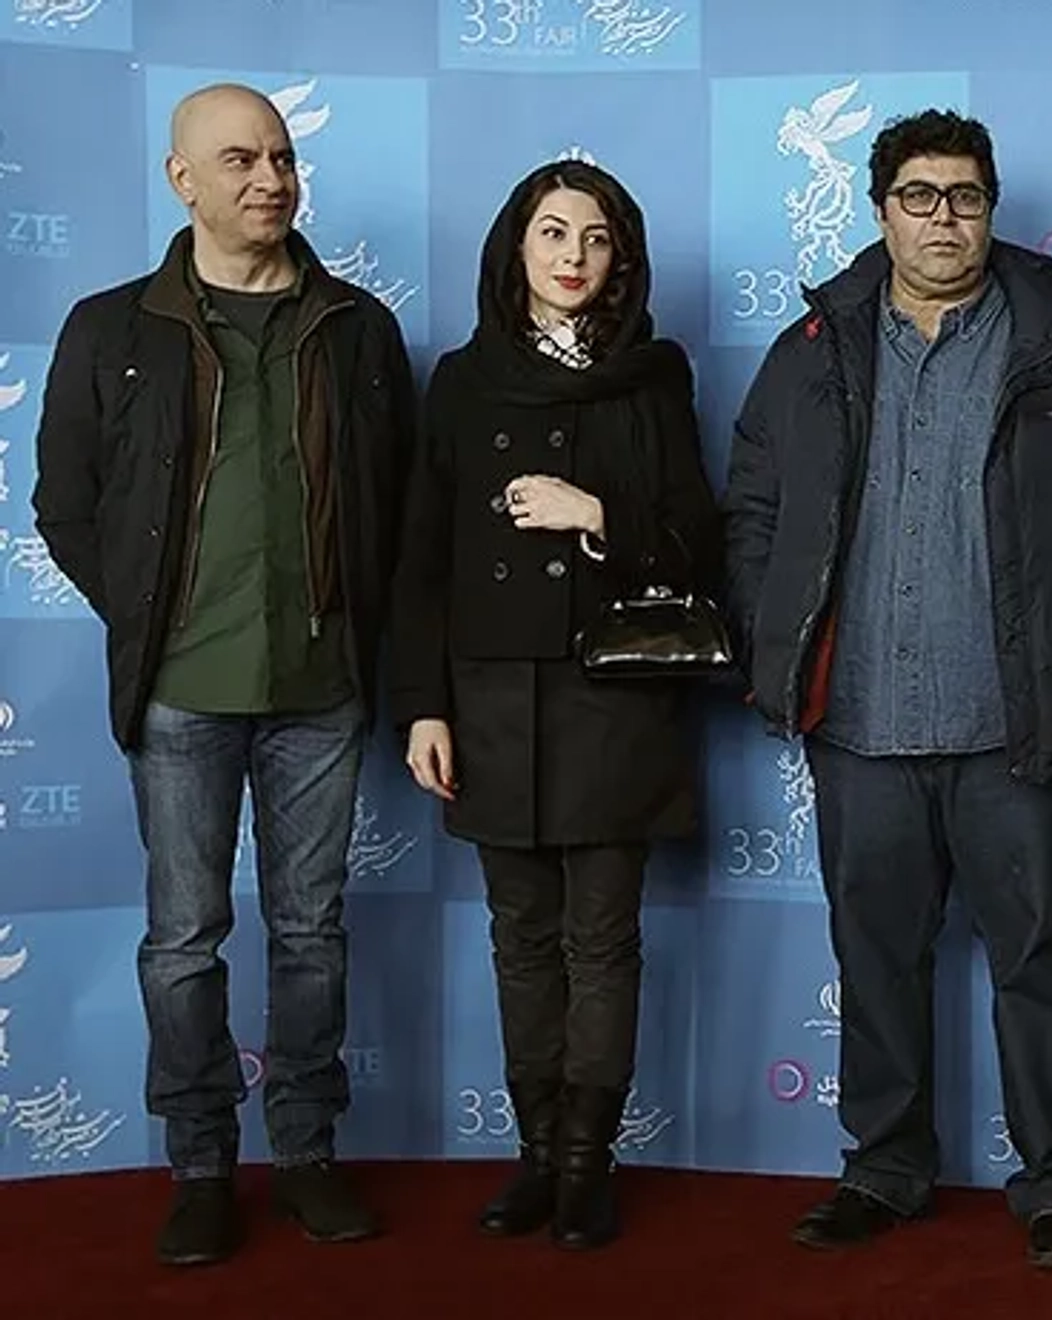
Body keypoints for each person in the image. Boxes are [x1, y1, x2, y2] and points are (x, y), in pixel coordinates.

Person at [721, 108, 1052, 1270]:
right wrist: (774, 639)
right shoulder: (815, 349)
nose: (944, 218)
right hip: (860, 723)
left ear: (992, 209)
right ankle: (885, 1168)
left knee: (1039, 958)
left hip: (1017, 727)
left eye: (965, 196)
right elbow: (754, 506)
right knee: (876, 961)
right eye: (919, 195)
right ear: (879, 207)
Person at [30, 83, 414, 1265]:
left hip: (321, 690)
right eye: (239, 159)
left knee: (311, 934)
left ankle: (305, 1155)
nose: (270, 179)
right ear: (181, 179)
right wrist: (153, 617)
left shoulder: (359, 329)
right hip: (179, 693)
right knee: (183, 941)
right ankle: (200, 1165)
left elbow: (397, 501)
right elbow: (65, 500)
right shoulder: (110, 328)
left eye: (284, 157)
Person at [388, 159, 720, 1251]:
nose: (573, 256)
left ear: (620, 257)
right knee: (518, 939)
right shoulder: (463, 381)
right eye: (552, 234)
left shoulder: (653, 379)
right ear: (515, 250)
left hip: (612, 698)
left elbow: (698, 545)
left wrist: (596, 511)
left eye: (595, 237)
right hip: (487, 699)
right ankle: (535, 1156)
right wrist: (422, 708)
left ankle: (587, 1164)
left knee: (601, 940)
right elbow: (422, 561)